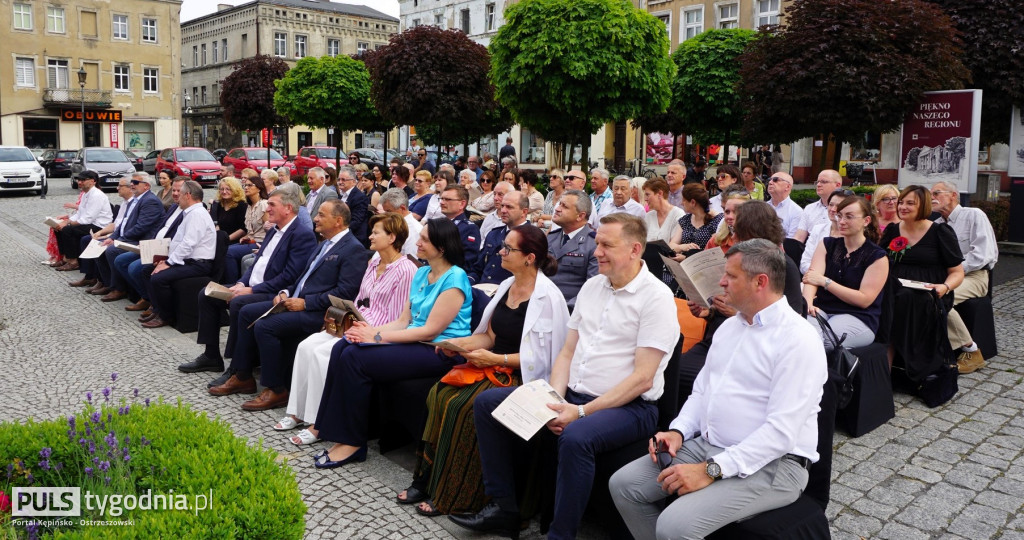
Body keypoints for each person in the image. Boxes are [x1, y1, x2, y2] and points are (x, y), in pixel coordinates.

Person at [450, 213, 680, 540]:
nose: (596, 251)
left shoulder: (656, 298)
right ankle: (505, 508)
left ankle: (561, 534)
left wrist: (581, 412)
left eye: (606, 245)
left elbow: (643, 379)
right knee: (488, 404)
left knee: (575, 437)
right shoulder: (593, 287)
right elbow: (567, 353)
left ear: (634, 250)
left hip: (630, 408)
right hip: (572, 395)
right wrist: (553, 399)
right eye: (597, 242)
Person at [610, 239, 827, 540]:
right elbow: (701, 393)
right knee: (624, 485)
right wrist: (679, 431)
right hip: (712, 445)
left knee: (675, 525)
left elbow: (780, 433)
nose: (721, 282)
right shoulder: (729, 327)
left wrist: (710, 470)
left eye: (730, 276)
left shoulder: (798, 340)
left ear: (760, 282)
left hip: (776, 464)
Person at [400, 224, 569, 517]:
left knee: (462, 407)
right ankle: (428, 478)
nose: (500, 252)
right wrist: (458, 344)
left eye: (508, 248)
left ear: (529, 257)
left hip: (520, 375)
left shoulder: (548, 298)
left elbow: (542, 358)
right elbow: (488, 335)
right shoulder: (507, 285)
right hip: (492, 363)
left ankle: (455, 494)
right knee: (439, 393)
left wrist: (493, 359)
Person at [311, 218, 474, 468]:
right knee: (344, 346)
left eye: (425, 239)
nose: (417, 242)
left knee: (355, 357)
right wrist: (368, 330)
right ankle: (330, 430)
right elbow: (403, 320)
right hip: (415, 341)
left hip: (439, 351)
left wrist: (376, 337)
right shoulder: (422, 272)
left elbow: (429, 331)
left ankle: (353, 441)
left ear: (442, 247)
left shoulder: (455, 279)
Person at [207, 199, 369, 409]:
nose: (315, 218)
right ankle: (243, 374)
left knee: (265, 326)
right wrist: (285, 292)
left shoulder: (352, 249)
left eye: (321, 215)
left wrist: (305, 303)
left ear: (338, 221)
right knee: (247, 312)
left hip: (321, 312)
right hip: (296, 301)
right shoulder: (325, 242)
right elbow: (302, 278)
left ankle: (276, 389)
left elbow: (344, 293)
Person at [276, 212, 418, 445]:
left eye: (376, 232)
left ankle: (319, 422)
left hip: (375, 330)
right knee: (306, 346)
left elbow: (398, 317)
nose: (370, 236)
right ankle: (297, 412)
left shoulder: (405, 270)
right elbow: (362, 299)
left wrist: (366, 330)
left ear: (392, 237)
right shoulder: (374, 261)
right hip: (357, 321)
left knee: (323, 354)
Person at [180, 188, 317, 375]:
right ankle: (211, 356)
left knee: (239, 302)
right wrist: (242, 284)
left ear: (288, 208)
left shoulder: (301, 235)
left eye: (271, 204)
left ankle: (238, 366)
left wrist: (252, 290)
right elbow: (255, 264)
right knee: (206, 294)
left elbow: (290, 276)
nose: (266, 209)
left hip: (273, 292)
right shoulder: (273, 231)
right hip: (253, 287)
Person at [879, 185, 964, 389]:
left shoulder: (940, 232)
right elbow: (878, 262)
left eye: (910, 203)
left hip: (929, 292)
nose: (902, 206)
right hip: (894, 287)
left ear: (923, 205)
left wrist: (944, 287)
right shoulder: (892, 230)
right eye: (901, 202)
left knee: (905, 299)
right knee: (890, 297)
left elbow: (957, 272)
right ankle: (881, 370)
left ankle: (900, 370)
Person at [802, 196, 889, 349]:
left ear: (866, 221)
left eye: (849, 217)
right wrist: (807, 302)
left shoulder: (877, 256)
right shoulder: (827, 244)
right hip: (820, 308)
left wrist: (825, 282)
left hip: (858, 316)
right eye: (840, 215)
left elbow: (864, 300)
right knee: (802, 335)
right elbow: (811, 279)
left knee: (827, 342)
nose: (841, 221)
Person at [930, 181, 997, 373]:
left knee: (939, 296)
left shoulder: (974, 215)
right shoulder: (936, 225)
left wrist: (952, 272)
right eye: (930, 194)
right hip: (947, 277)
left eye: (937, 193)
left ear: (953, 195)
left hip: (975, 276)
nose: (932, 197)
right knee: (923, 295)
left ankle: (972, 351)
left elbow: (983, 254)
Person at [141, 180, 217, 329]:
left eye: (180, 194)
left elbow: (188, 244)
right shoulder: (190, 213)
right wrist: (166, 260)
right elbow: (179, 242)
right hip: (187, 260)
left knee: (158, 278)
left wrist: (169, 263)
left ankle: (166, 316)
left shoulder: (197, 214)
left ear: (188, 195)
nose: (177, 197)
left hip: (199, 264)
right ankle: (157, 309)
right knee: (147, 270)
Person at [92, 173, 165, 302]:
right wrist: (113, 237)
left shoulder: (150, 201)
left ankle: (121, 289)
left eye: (135, 182)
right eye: (132, 182)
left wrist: (119, 239)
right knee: (101, 244)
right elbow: (123, 223)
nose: (132, 184)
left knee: (112, 251)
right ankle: (107, 283)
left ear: (146, 186)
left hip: (142, 241)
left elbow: (141, 227)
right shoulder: (137, 199)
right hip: (130, 237)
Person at [546, 190, 598, 309]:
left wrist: (563, 308)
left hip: (571, 309)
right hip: (543, 303)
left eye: (564, 206)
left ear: (580, 216)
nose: (557, 209)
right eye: (559, 204)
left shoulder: (593, 244)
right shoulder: (551, 238)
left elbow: (592, 288)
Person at [53, 171, 113, 272]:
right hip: (90, 223)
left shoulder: (96, 195)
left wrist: (68, 223)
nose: (80, 182)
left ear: (93, 181)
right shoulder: (86, 194)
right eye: (78, 180)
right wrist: (66, 221)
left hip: (99, 226)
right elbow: (80, 213)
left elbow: (88, 218)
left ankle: (73, 261)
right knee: (58, 228)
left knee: (67, 230)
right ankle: (65, 257)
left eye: (83, 180)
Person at [470, 191, 529, 285]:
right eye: (502, 206)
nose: (503, 210)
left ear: (524, 212)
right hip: (482, 289)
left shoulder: (530, 237)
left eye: (509, 207)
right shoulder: (494, 234)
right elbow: (478, 268)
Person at [223, 174, 270, 285]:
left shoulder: (263, 204)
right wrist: (246, 237)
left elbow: (270, 230)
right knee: (224, 248)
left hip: (261, 242)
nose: (246, 188)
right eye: (245, 185)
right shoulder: (249, 206)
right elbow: (250, 231)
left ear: (259, 188)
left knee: (229, 252)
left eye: (250, 185)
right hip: (251, 240)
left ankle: (233, 284)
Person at [800, 188, 854, 274]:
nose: (832, 209)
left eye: (838, 206)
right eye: (830, 204)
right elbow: (804, 263)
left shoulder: (855, 234)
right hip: (813, 279)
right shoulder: (818, 229)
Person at [669, 183, 723, 259]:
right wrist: (682, 247)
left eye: (684, 200)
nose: (681, 203)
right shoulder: (685, 220)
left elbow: (714, 251)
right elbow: (671, 246)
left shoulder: (716, 220)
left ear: (693, 202)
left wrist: (686, 258)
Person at [437, 185, 480, 270]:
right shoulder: (438, 223)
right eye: (441, 199)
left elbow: (467, 262)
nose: (442, 202)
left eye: (448, 199)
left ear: (462, 204)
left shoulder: (469, 229)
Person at [794, 169, 843, 244]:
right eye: (817, 182)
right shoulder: (809, 208)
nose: (818, 185)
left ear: (838, 185)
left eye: (823, 182)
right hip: (810, 252)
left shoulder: (846, 208)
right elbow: (799, 238)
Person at [380, 188, 422, 257]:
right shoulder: (393, 224)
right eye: (385, 211)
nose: (385, 215)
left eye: (389, 211)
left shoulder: (414, 231)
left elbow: (411, 261)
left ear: (402, 208)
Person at [706, 188, 751, 252]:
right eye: (727, 211)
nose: (729, 216)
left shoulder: (761, 241)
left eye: (736, 211)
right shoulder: (716, 241)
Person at [644, 177, 686, 244]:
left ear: (660, 194)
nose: (645, 199)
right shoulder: (648, 216)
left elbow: (674, 246)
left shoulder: (678, 214)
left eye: (647, 195)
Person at [336, 166, 370, 245]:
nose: (340, 182)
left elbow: (356, 221)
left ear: (354, 182)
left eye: (343, 180)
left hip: (354, 238)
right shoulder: (341, 195)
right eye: (339, 179)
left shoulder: (360, 197)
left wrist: (338, 230)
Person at [766, 172, 802, 238]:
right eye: (769, 180)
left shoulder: (797, 211)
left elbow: (791, 240)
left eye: (775, 180)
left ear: (787, 186)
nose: (770, 182)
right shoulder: (763, 207)